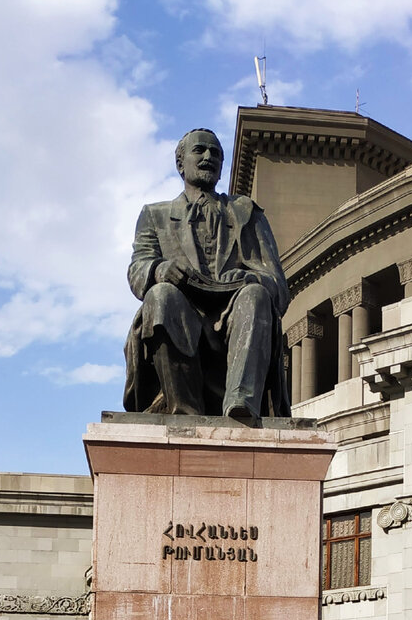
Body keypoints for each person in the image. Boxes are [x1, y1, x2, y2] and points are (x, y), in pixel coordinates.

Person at [123, 127, 290, 421]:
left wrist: (251, 278)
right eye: (199, 150)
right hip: (183, 313)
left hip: (235, 317)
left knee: (255, 295)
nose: (208, 157)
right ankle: (184, 411)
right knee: (160, 295)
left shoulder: (248, 214)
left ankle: (241, 406)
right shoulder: (155, 214)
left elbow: (278, 286)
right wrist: (161, 269)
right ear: (180, 163)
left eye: (215, 153)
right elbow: (138, 271)